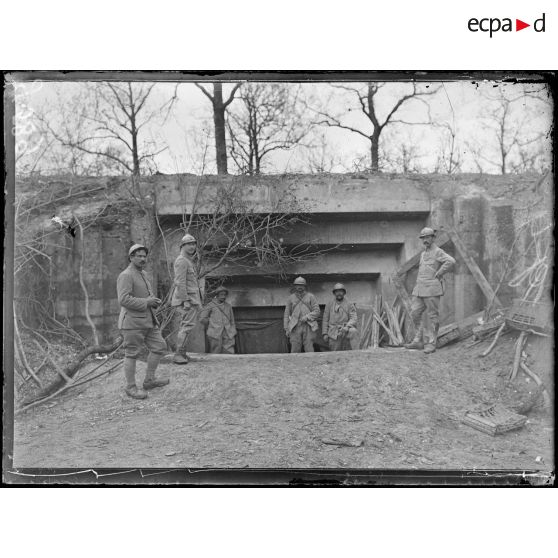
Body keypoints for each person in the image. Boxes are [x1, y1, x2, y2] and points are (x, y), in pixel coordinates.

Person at [117, 244, 169, 400]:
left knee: (159, 346)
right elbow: (123, 299)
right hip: (132, 323)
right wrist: (147, 302)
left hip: (148, 320)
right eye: (138, 256)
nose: (142, 259)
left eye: (144, 256)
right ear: (131, 257)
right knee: (131, 353)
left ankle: (149, 380)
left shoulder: (143, 274)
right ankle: (131, 387)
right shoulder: (126, 275)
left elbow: (146, 294)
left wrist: (153, 301)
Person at [404, 227, 456, 354]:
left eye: (427, 237)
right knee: (414, 313)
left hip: (432, 289)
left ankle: (432, 343)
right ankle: (418, 340)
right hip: (420, 288)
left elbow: (451, 261)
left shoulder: (438, 251)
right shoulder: (423, 253)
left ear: (433, 238)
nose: (425, 240)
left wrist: (440, 272)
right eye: (423, 238)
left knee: (433, 316)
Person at [171, 233, 202, 364]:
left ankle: (182, 353)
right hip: (187, 301)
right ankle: (178, 354)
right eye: (188, 244)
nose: (192, 246)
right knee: (186, 326)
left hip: (191, 300)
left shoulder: (188, 261)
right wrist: (185, 300)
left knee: (187, 327)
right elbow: (180, 282)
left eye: (193, 244)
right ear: (182, 246)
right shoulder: (181, 261)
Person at [283, 276, 320, 353]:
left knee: (309, 347)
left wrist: (307, 317)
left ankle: (310, 363)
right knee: (295, 347)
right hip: (295, 326)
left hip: (308, 325)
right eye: (297, 285)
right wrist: (286, 328)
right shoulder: (291, 298)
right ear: (295, 286)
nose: (299, 287)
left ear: (305, 286)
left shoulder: (311, 297)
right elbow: (286, 314)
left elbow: (317, 311)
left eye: (301, 285)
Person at [200, 286, 237, 354]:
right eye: (221, 295)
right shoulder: (210, 305)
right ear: (217, 295)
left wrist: (233, 330)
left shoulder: (228, 306)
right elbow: (202, 318)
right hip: (215, 333)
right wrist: (212, 325)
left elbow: (232, 320)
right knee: (216, 352)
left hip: (228, 332)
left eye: (225, 295)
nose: (223, 297)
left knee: (229, 352)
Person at [322, 283, 359, 351]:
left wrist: (347, 327)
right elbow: (325, 319)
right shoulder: (329, 304)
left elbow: (353, 318)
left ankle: (356, 353)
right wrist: (325, 333)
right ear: (334, 293)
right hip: (333, 331)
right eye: (337, 291)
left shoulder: (349, 304)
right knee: (335, 353)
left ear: (344, 293)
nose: (339, 293)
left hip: (345, 330)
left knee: (353, 331)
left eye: (341, 291)